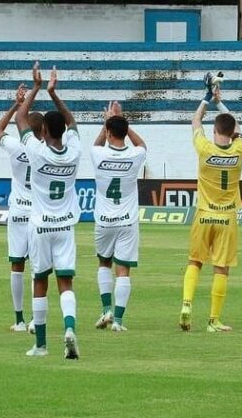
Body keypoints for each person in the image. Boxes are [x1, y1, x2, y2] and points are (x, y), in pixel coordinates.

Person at [16, 62, 81, 358]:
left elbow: (19, 118)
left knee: (39, 281)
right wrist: (55, 94)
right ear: (63, 132)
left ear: (42, 130)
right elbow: (73, 122)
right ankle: (69, 328)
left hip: (40, 225)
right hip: (65, 225)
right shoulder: (75, 151)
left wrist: (37, 87)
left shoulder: (36, 150)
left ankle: (41, 344)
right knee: (65, 282)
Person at [179, 74, 242, 333]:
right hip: (227, 217)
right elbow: (237, 127)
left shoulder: (205, 148)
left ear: (215, 130)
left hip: (203, 215)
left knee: (195, 261)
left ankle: (186, 304)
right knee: (221, 268)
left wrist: (207, 97)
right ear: (231, 133)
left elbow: (195, 121)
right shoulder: (240, 150)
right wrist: (221, 103)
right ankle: (213, 320)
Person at [91, 101, 147, 332]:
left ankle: (106, 310)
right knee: (123, 269)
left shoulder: (98, 153)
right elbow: (142, 144)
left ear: (108, 132)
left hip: (104, 220)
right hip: (127, 221)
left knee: (104, 262)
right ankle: (119, 322)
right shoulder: (135, 155)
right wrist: (124, 122)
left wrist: (107, 123)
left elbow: (96, 144)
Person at [0, 84, 40, 332]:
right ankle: (35, 319)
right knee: (37, 267)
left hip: (18, 212)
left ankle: (19, 319)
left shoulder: (15, 146)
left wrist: (16, 104)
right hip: (38, 214)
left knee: (16, 265)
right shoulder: (45, 150)